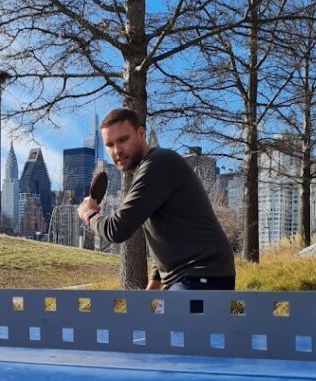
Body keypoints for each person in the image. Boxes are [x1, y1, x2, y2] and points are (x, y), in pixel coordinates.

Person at [77, 108, 235, 291]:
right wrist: (154, 282)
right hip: (193, 278)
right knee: (151, 319)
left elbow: (117, 229)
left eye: (123, 140)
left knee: (162, 320)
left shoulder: (157, 164)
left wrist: (90, 214)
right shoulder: (154, 166)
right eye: (109, 145)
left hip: (200, 277)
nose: (117, 150)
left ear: (141, 133)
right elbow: (168, 233)